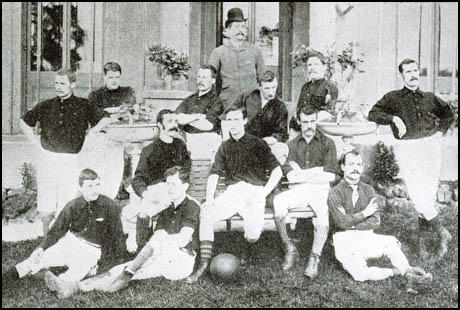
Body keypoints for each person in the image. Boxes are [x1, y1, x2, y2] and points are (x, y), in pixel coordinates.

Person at [43, 166, 201, 299]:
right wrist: (145, 217)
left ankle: (123, 276)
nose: (169, 188)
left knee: (133, 266)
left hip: (180, 261)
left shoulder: (192, 206)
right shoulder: (168, 207)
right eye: (168, 184)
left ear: (185, 186)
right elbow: (152, 239)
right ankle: (73, 287)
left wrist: (159, 241)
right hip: (164, 254)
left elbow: (182, 239)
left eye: (174, 184)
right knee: (118, 269)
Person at [368, 58, 454, 260]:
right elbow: (372, 113)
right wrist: (394, 118)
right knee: (417, 195)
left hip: (431, 147)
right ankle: (443, 233)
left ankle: (422, 243)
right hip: (410, 148)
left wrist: (439, 133)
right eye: (408, 72)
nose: (413, 74)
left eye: (415, 71)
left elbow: (448, 114)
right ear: (402, 75)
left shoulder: (430, 98)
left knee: (427, 195)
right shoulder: (394, 98)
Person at [185, 106, 283, 283]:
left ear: (245, 121)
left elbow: (277, 171)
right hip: (233, 192)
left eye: (237, 120)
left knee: (253, 235)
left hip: (254, 193)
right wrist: (209, 197)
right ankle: (204, 263)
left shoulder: (258, 143)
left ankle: (244, 249)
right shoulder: (224, 147)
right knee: (206, 213)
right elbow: (215, 173)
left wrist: (264, 192)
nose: (234, 124)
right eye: (230, 120)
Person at [2, 169, 126, 291]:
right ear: (80, 187)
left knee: (77, 272)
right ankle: (7, 278)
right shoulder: (73, 205)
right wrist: (41, 248)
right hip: (70, 243)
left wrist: (114, 263)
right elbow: (56, 231)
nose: (94, 190)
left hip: (91, 250)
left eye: (97, 184)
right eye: (89, 186)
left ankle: (60, 282)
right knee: (38, 260)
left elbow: (118, 236)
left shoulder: (109, 206)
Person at [328, 150, 432, 293]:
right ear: (343, 167)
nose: (355, 168)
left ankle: (408, 273)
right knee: (360, 275)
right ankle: (394, 272)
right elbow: (340, 222)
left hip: (366, 236)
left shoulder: (369, 190)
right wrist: (365, 213)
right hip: (344, 239)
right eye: (351, 164)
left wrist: (350, 222)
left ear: (362, 167)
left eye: (359, 164)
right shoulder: (334, 192)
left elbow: (375, 221)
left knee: (390, 243)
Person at [19, 69, 100, 236]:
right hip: (48, 158)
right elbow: (24, 122)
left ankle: (65, 239)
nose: (58, 87)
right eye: (56, 83)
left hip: (71, 160)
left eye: (62, 83)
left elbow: (104, 119)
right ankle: (46, 239)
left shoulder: (84, 105)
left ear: (73, 84)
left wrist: (93, 132)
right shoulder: (46, 105)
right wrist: (36, 144)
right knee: (46, 201)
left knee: (68, 199)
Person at [272, 105, 339, 277]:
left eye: (312, 121)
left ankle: (314, 258)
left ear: (316, 121)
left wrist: (302, 173)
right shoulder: (291, 145)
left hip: (320, 190)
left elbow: (331, 176)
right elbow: (291, 177)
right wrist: (318, 171)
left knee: (323, 211)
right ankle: (289, 248)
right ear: (299, 122)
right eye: (305, 122)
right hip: (299, 189)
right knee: (278, 201)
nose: (309, 126)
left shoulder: (328, 143)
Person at [123, 109, 191, 253]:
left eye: (176, 121)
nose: (174, 125)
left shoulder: (180, 146)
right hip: (155, 193)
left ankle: (136, 238)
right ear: (159, 125)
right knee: (144, 206)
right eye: (169, 122)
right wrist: (146, 193)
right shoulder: (150, 149)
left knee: (139, 210)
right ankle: (141, 245)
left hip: (176, 189)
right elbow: (138, 179)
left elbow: (186, 171)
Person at [83, 62, 137, 200]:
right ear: (104, 77)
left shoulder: (128, 91)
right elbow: (94, 115)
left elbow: (132, 110)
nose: (114, 81)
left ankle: (125, 189)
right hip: (104, 136)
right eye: (111, 77)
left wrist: (109, 111)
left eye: (117, 77)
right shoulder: (96, 95)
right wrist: (116, 111)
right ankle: (104, 193)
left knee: (132, 154)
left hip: (123, 135)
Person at [208, 7, 265, 108]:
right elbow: (209, 78)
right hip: (227, 104)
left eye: (243, 27)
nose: (240, 31)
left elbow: (263, 78)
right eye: (236, 27)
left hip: (252, 104)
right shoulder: (218, 52)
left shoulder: (255, 51)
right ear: (228, 30)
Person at [232, 70, 289, 163]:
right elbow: (230, 116)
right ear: (259, 86)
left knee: (282, 149)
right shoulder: (246, 97)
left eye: (273, 87)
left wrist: (273, 139)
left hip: (265, 146)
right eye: (267, 88)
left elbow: (282, 133)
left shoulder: (280, 106)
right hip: (242, 142)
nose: (271, 92)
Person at [175, 65, 224, 159]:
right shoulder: (190, 99)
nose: (200, 80)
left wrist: (186, 119)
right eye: (199, 77)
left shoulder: (216, 101)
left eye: (204, 77)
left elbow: (207, 125)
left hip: (205, 143)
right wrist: (197, 116)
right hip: (186, 140)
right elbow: (177, 118)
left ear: (213, 81)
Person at [289, 51, 338, 138]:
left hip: (319, 132)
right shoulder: (305, 86)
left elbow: (328, 112)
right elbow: (298, 109)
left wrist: (307, 122)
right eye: (309, 65)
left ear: (324, 67)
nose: (312, 68)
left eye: (316, 64)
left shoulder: (330, 87)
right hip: (299, 129)